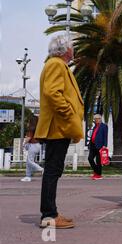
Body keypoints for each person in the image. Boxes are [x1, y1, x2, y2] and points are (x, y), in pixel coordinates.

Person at [34, 34, 84, 229]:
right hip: (57, 127)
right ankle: (49, 216)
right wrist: (69, 113)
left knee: (53, 171)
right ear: (65, 50)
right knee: (52, 171)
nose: (74, 50)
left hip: (58, 126)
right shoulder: (55, 64)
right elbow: (53, 93)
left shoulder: (56, 64)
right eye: (72, 47)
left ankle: (51, 212)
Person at [20, 116, 43, 182]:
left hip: (33, 145)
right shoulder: (38, 128)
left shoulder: (31, 128)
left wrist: (23, 143)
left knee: (30, 161)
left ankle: (41, 169)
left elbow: (29, 138)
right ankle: (28, 176)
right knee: (28, 161)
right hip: (38, 145)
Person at [88, 114, 108, 180]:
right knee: (90, 158)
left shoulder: (104, 126)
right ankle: (97, 172)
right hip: (93, 145)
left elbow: (105, 136)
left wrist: (105, 145)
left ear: (99, 119)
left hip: (100, 146)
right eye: (95, 119)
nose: (95, 120)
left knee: (98, 161)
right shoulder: (95, 127)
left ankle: (98, 175)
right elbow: (93, 136)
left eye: (96, 119)